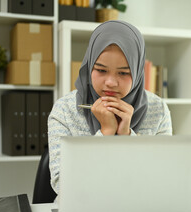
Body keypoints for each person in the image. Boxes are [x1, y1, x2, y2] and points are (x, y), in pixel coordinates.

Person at [48, 20, 172, 195]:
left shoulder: (157, 109)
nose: (111, 83)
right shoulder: (65, 110)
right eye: (100, 70)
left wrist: (126, 136)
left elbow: (163, 180)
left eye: (123, 73)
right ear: (89, 66)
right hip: (81, 211)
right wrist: (105, 132)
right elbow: (62, 185)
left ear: (137, 72)